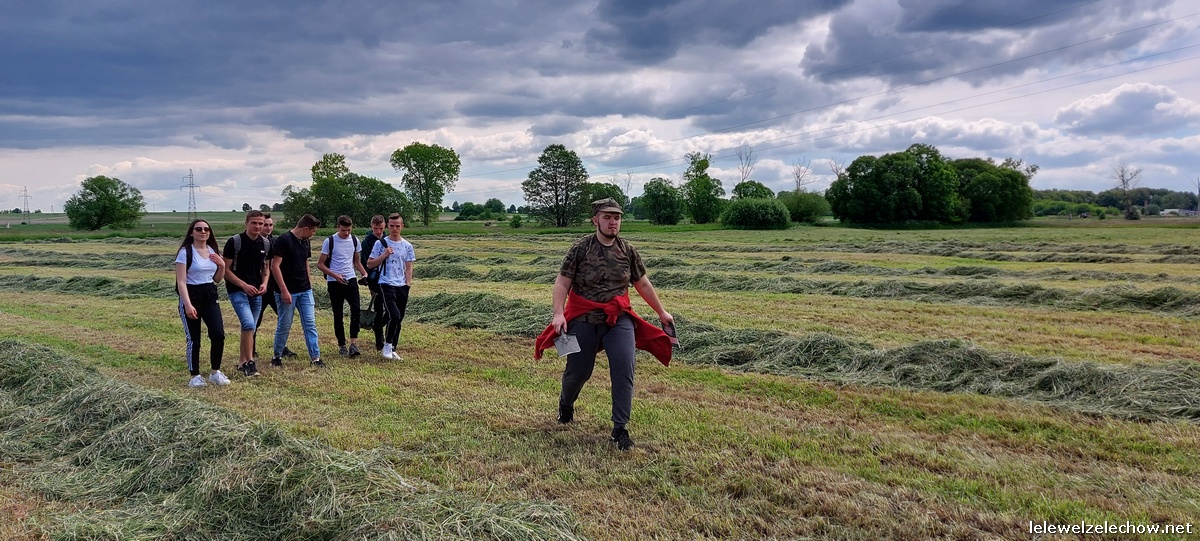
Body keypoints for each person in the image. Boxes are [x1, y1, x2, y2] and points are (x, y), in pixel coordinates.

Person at [534, 198, 674, 451]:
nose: (613, 222)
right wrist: (558, 314)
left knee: (624, 369)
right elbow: (562, 282)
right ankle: (566, 404)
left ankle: (620, 429)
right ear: (595, 220)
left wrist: (661, 312)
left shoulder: (627, 250)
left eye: (617, 217)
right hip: (584, 320)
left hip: (618, 320)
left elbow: (642, 283)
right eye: (607, 217)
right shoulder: (581, 249)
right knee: (578, 373)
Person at [175, 219, 229, 388]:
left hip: (210, 295)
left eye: (206, 229)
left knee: (218, 334)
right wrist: (187, 304)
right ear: (192, 233)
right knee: (194, 339)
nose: (203, 232)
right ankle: (195, 376)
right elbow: (181, 281)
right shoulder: (185, 252)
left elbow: (217, 279)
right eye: (198, 229)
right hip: (191, 296)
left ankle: (215, 373)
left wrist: (222, 266)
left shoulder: (213, 250)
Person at [270, 213, 324, 368]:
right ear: (305, 228)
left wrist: (309, 281)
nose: (313, 234)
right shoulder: (284, 240)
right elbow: (275, 266)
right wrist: (284, 290)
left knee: (310, 323)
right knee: (285, 324)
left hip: (305, 290)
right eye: (312, 231)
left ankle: (315, 358)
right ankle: (277, 356)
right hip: (287, 291)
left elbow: (305, 262)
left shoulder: (305, 241)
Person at [222, 210, 270, 377]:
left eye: (260, 223)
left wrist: (264, 283)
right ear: (246, 223)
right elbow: (225, 270)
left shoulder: (265, 244)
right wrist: (243, 285)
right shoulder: (234, 242)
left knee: (250, 328)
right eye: (254, 223)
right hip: (237, 290)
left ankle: (242, 363)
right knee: (249, 324)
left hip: (256, 292)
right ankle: (250, 363)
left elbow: (266, 267)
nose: (257, 226)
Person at [366, 212, 415, 361]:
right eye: (392, 226)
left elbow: (409, 267)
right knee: (394, 315)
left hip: (402, 285)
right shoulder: (380, 244)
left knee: (399, 319)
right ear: (388, 226)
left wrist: (407, 284)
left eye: (397, 226)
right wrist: (384, 255)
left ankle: (393, 348)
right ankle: (386, 345)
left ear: (402, 226)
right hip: (386, 283)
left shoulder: (407, 246)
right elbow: (370, 263)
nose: (394, 229)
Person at [317, 215, 368, 357]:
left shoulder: (355, 240)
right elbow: (320, 264)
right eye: (343, 230)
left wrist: (364, 273)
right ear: (338, 227)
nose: (346, 233)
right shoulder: (330, 241)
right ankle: (341, 345)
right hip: (334, 282)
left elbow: (356, 261)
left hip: (350, 279)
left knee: (356, 310)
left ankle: (353, 343)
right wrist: (335, 275)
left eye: (349, 230)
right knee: (338, 314)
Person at [254, 213, 298, 361]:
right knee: (255, 319)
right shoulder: (254, 242)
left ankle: (282, 347)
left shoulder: (276, 241)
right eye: (265, 225)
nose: (268, 228)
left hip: (274, 288)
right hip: (259, 288)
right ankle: (251, 349)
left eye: (270, 225)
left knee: (283, 318)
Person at [359, 214, 389, 351]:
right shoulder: (366, 243)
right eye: (376, 228)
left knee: (390, 309)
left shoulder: (388, 239)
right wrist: (368, 280)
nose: (378, 231)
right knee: (378, 308)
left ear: (385, 226)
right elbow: (365, 263)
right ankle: (379, 340)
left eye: (381, 228)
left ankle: (378, 326)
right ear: (371, 226)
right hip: (375, 280)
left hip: (389, 279)